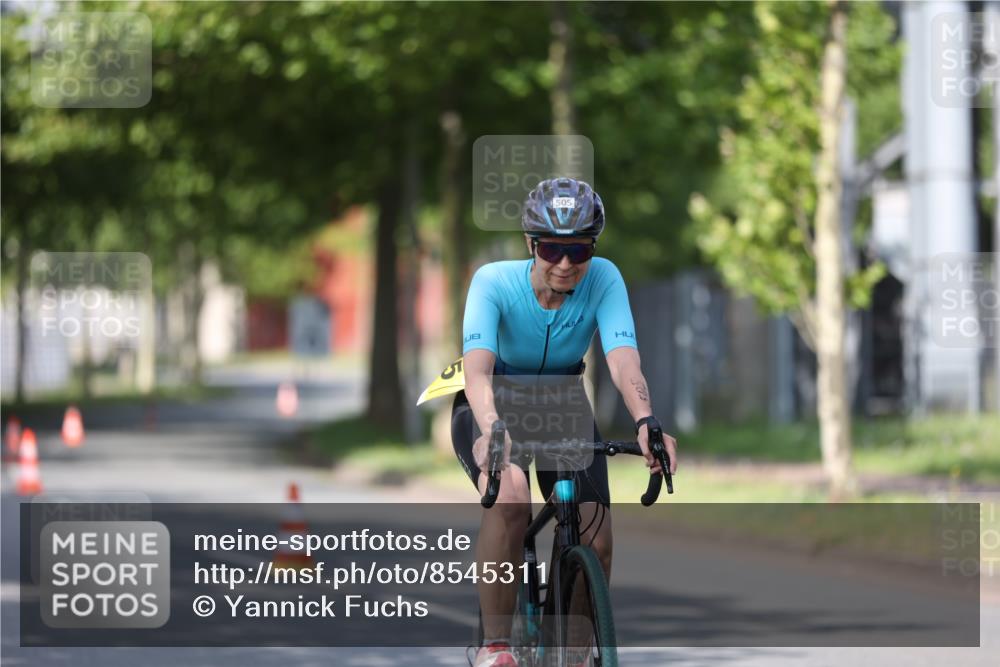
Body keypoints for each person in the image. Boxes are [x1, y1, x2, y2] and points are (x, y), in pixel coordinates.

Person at [452, 177, 679, 667]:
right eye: (553, 249)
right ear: (531, 245)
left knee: (595, 536)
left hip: (561, 402)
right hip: (492, 400)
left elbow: (623, 361)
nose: (565, 264)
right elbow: (477, 371)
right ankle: (495, 650)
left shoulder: (604, 278)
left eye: (579, 251)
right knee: (510, 497)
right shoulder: (493, 281)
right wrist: (493, 428)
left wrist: (646, 421)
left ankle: (573, 649)